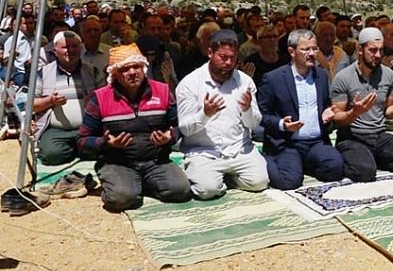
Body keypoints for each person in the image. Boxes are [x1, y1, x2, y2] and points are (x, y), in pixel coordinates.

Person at [77, 44, 190, 212]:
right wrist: (106, 143)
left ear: (143, 68)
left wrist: (170, 136)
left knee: (180, 190)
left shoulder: (163, 91)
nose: (132, 73)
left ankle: (138, 183)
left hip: (156, 161)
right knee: (120, 199)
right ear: (115, 74)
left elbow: (180, 126)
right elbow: (82, 140)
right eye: (125, 69)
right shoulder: (100, 98)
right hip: (118, 162)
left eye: (136, 67)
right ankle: (127, 184)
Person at [176, 29, 269, 199]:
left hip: (239, 149)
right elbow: (185, 129)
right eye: (223, 57)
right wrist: (205, 114)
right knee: (207, 190)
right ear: (210, 53)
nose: (228, 63)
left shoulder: (245, 81)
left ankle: (227, 179)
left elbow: (254, 124)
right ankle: (214, 178)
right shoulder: (190, 83)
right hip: (204, 152)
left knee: (260, 182)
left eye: (232, 58)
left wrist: (247, 109)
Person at [330, 27, 393, 182]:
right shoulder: (343, 78)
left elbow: (388, 111)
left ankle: (375, 160)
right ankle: (364, 161)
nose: (378, 55)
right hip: (353, 137)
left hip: (379, 135)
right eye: (373, 50)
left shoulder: (388, 74)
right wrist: (354, 112)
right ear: (360, 50)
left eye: (381, 50)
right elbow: (337, 118)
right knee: (364, 173)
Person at [258, 29, 344, 189]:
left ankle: (301, 163)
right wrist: (282, 124)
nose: (312, 53)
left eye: (314, 48)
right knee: (288, 182)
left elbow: (326, 104)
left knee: (336, 168)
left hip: (315, 142)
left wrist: (327, 113)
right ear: (292, 51)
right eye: (306, 49)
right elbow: (261, 115)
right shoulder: (273, 78)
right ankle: (267, 159)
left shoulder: (322, 75)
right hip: (288, 142)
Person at [33, 31, 106, 165]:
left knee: (103, 151)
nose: (70, 51)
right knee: (51, 155)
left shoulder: (93, 72)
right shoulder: (43, 73)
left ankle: (79, 147)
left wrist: (93, 102)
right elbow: (32, 105)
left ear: (81, 48)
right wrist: (50, 101)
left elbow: (107, 101)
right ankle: (78, 149)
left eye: (75, 47)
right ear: (55, 51)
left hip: (88, 128)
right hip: (56, 131)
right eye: (65, 47)